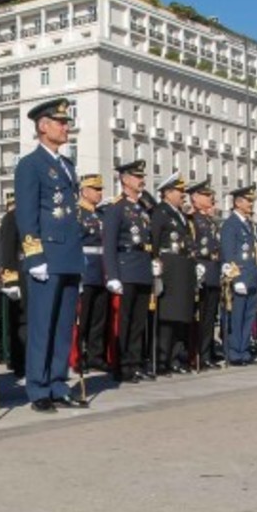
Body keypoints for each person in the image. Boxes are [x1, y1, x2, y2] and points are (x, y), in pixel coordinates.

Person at [14, 98, 86, 411]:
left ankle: (58, 383)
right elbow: (27, 215)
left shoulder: (67, 165)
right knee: (43, 324)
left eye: (66, 122)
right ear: (43, 126)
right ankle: (38, 388)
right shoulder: (31, 165)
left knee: (63, 325)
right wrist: (34, 257)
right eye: (60, 122)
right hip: (47, 255)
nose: (65, 126)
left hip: (69, 254)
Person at [103, 160, 155, 381]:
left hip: (142, 267)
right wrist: (113, 275)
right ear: (124, 180)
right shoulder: (117, 208)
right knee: (124, 321)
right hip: (126, 269)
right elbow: (109, 244)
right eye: (136, 177)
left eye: (141, 176)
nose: (141, 180)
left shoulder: (142, 209)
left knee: (138, 321)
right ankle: (122, 365)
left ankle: (134, 362)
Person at [150, 173, 196, 374]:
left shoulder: (180, 215)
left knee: (181, 317)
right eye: (180, 192)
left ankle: (176, 357)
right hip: (168, 267)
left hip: (182, 268)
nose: (183, 196)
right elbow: (155, 240)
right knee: (167, 317)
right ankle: (161, 359)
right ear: (167, 193)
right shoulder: (160, 213)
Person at [219, 184, 257, 366]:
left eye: (252, 201)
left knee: (248, 316)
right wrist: (235, 279)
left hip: (251, 276)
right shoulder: (231, 224)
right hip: (239, 277)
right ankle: (234, 351)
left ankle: (243, 350)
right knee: (236, 317)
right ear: (238, 202)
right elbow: (229, 253)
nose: (251, 204)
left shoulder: (248, 224)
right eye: (248, 201)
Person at [75, 174, 108, 373]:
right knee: (83, 318)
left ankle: (96, 355)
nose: (99, 193)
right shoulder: (78, 214)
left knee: (99, 317)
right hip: (85, 270)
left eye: (100, 189)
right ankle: (79, 356)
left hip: (101, 270)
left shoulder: (101, 215)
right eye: (95, 189)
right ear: (84, 191)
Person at [188, 179, 221, 369]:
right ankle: (195, 353)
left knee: (209, 317)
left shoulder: (210, 221)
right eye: (207, 196)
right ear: (195, 198)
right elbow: (192, 247)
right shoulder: (192, 220)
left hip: (213, 271)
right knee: (198, 316)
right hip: (200, 270)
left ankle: (206, 352)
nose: (211, 199)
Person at [0, 191, 26, 379]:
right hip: (12, 275)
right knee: (12, 322)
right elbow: (4, 250)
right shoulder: (10, 219)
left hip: (26, 273)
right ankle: (10, 356)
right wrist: (8, 276)